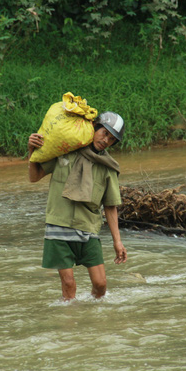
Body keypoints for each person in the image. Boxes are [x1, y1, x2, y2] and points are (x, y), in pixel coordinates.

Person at [28, 111, 128, 301]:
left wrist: (117, 241)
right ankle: (70, 325)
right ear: (95, 128)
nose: (106, 140)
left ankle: (92, 324)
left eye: (112, 139)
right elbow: (34, 177)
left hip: (87, 227)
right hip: (58, 225)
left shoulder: (108, 167)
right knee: (68, 285)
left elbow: (110, 205)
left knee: (100, 285)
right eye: (104, 133)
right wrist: (31, 150)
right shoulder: (65, 150)